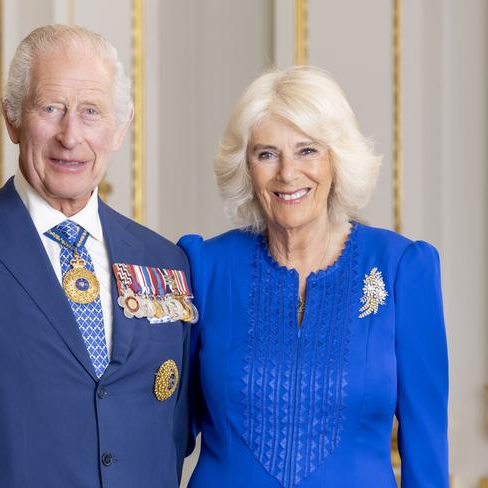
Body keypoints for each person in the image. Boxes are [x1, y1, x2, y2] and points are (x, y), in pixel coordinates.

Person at [0, 24, 193, 487]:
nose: (71, 135)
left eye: (91, 111)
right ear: (12, 118)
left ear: (120, 128)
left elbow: (172, 433)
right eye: (51, 108)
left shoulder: (166, 264)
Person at [179, 66, 448, 487]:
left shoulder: (400, 269)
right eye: (266, 153)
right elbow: (165, 431)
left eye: (307, 151)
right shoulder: (204, 267)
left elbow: (426, 446)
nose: (288, 173)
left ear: (336, 159)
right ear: (246, 168)